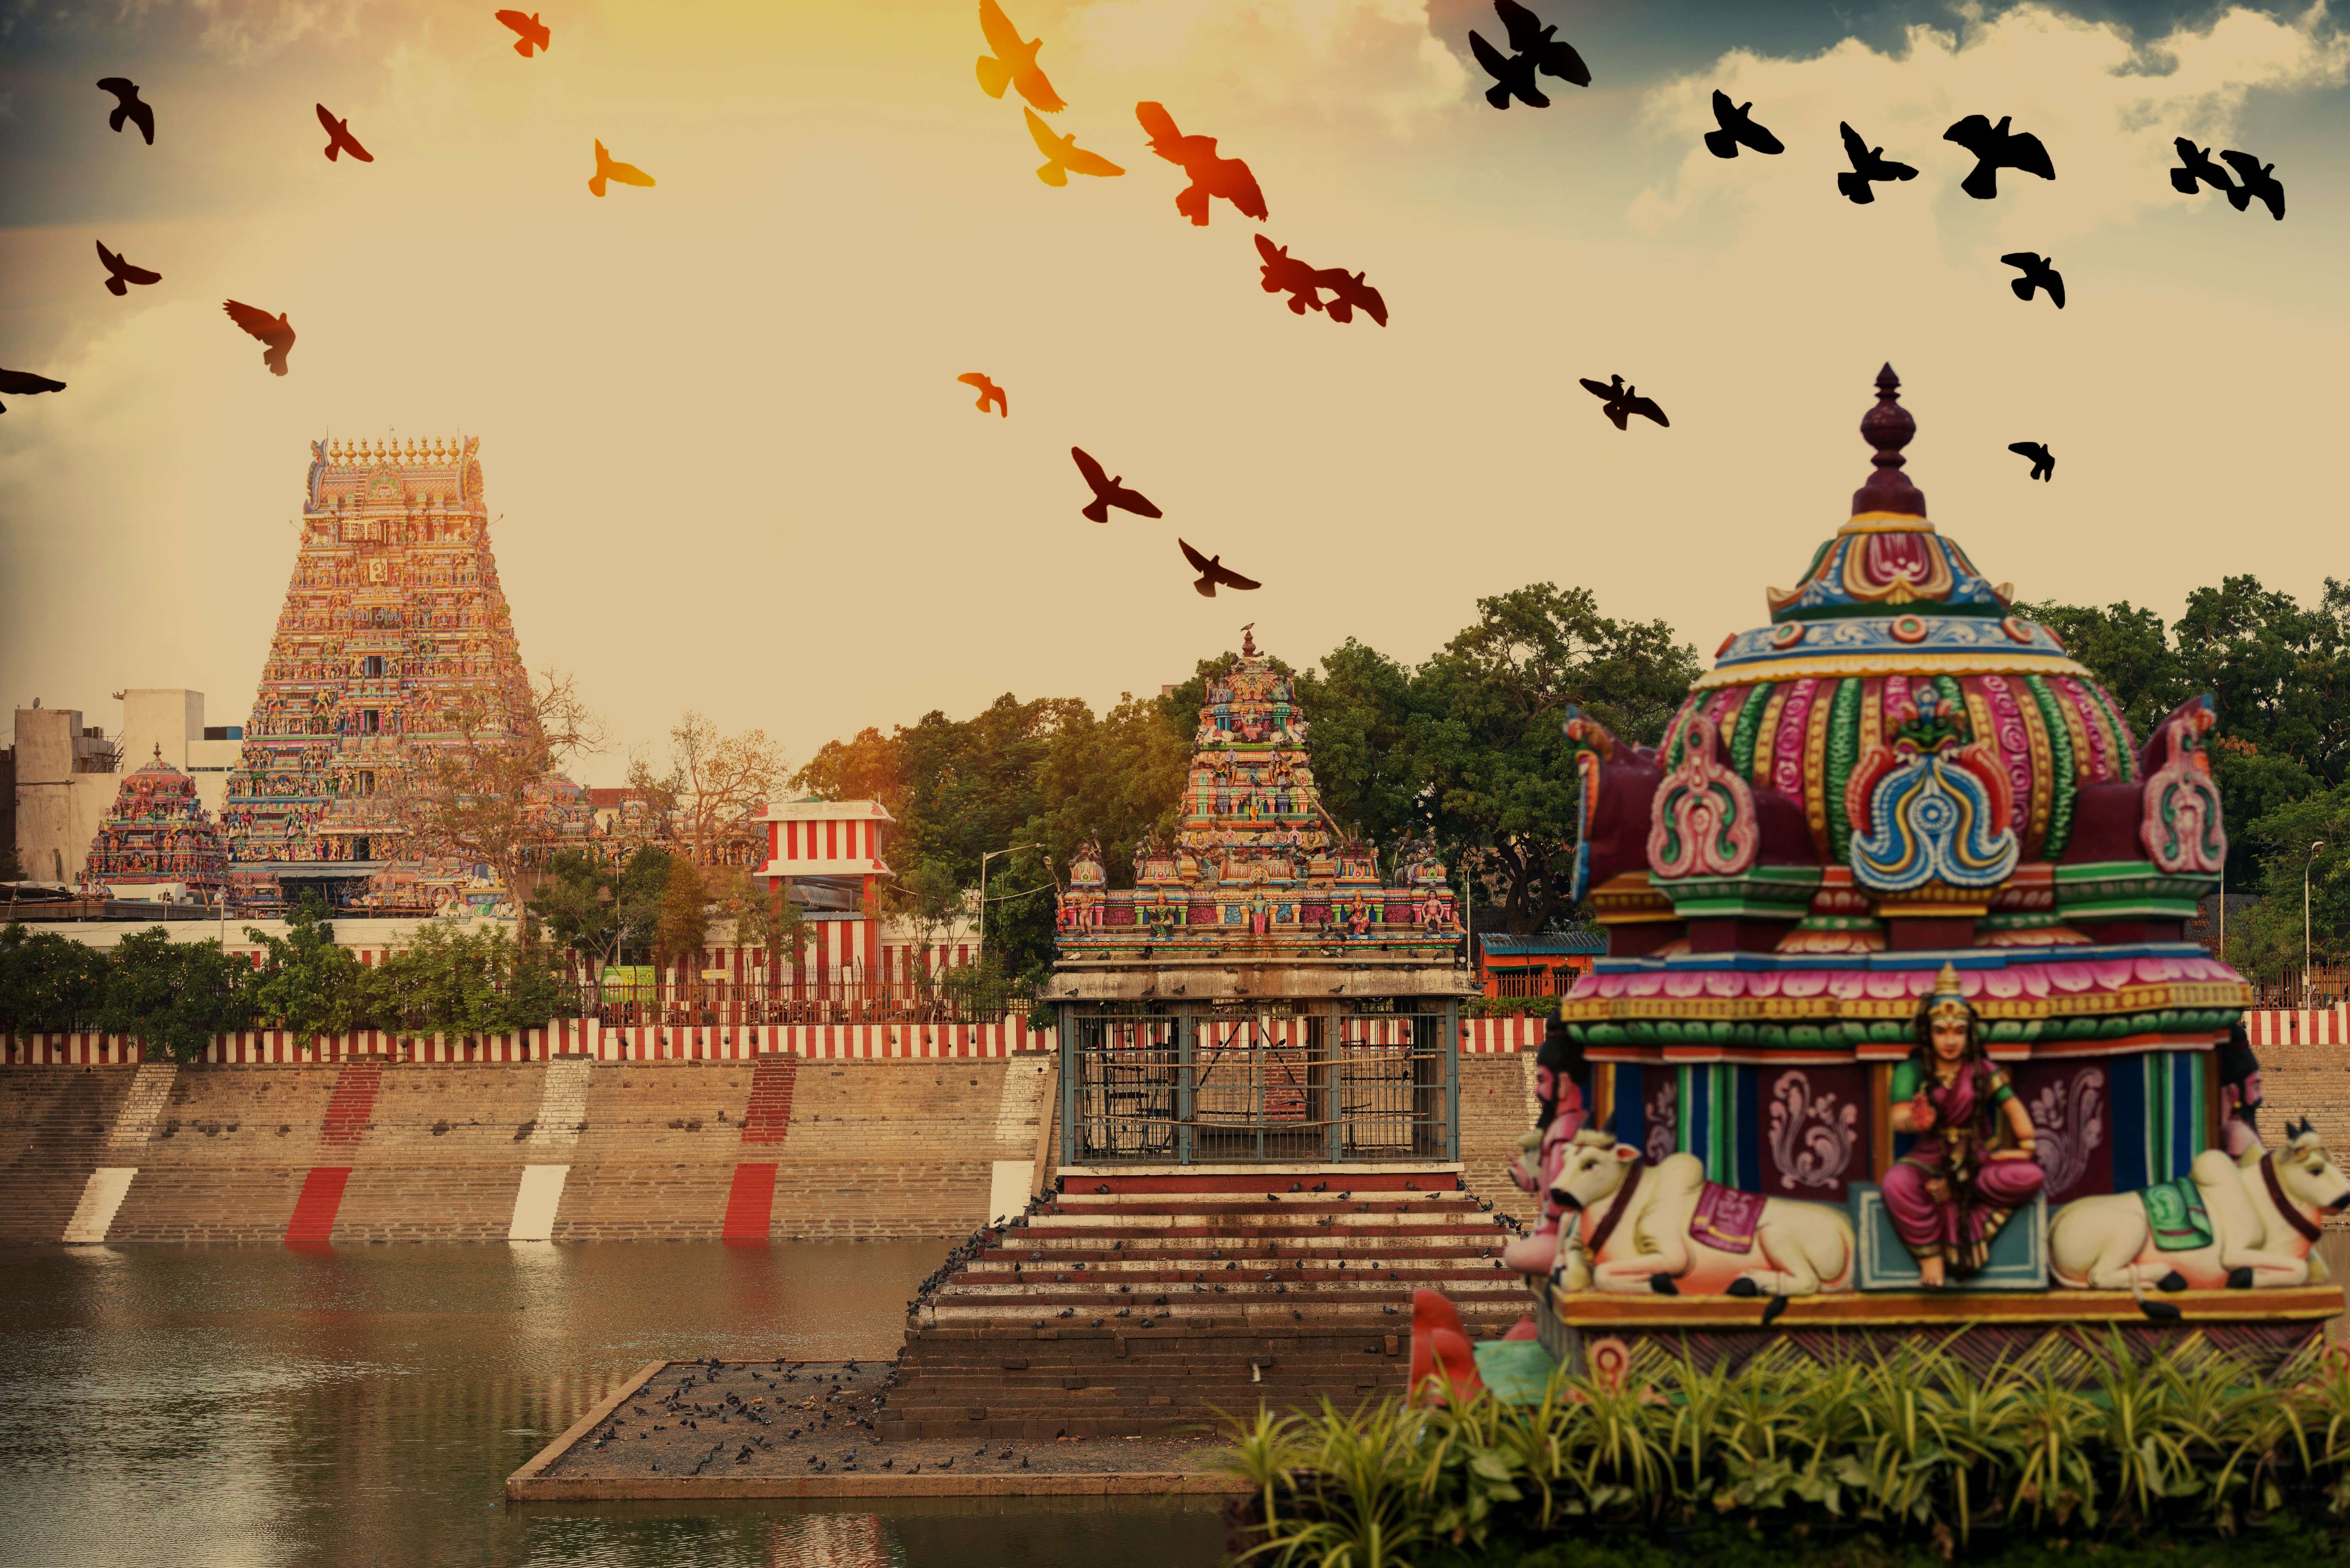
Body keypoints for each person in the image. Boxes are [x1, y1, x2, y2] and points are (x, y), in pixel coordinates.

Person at [1882, 964, 2045, 1286]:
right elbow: (1897, 1117)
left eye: (1958, 1031)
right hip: (1929, 1159)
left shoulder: (1982, 1069)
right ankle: (1931, 1258)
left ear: (1969, 1032)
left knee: (2031, 1176)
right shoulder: (1912, 1070)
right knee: (1896, 1183)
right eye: (1941, 1031)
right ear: (1928, 1034)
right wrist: (1916, 1121)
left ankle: (1956, 1189)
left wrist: (2026, 1147)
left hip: (1976, 1158)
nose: (1951, 1040)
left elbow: (2012, 1106)